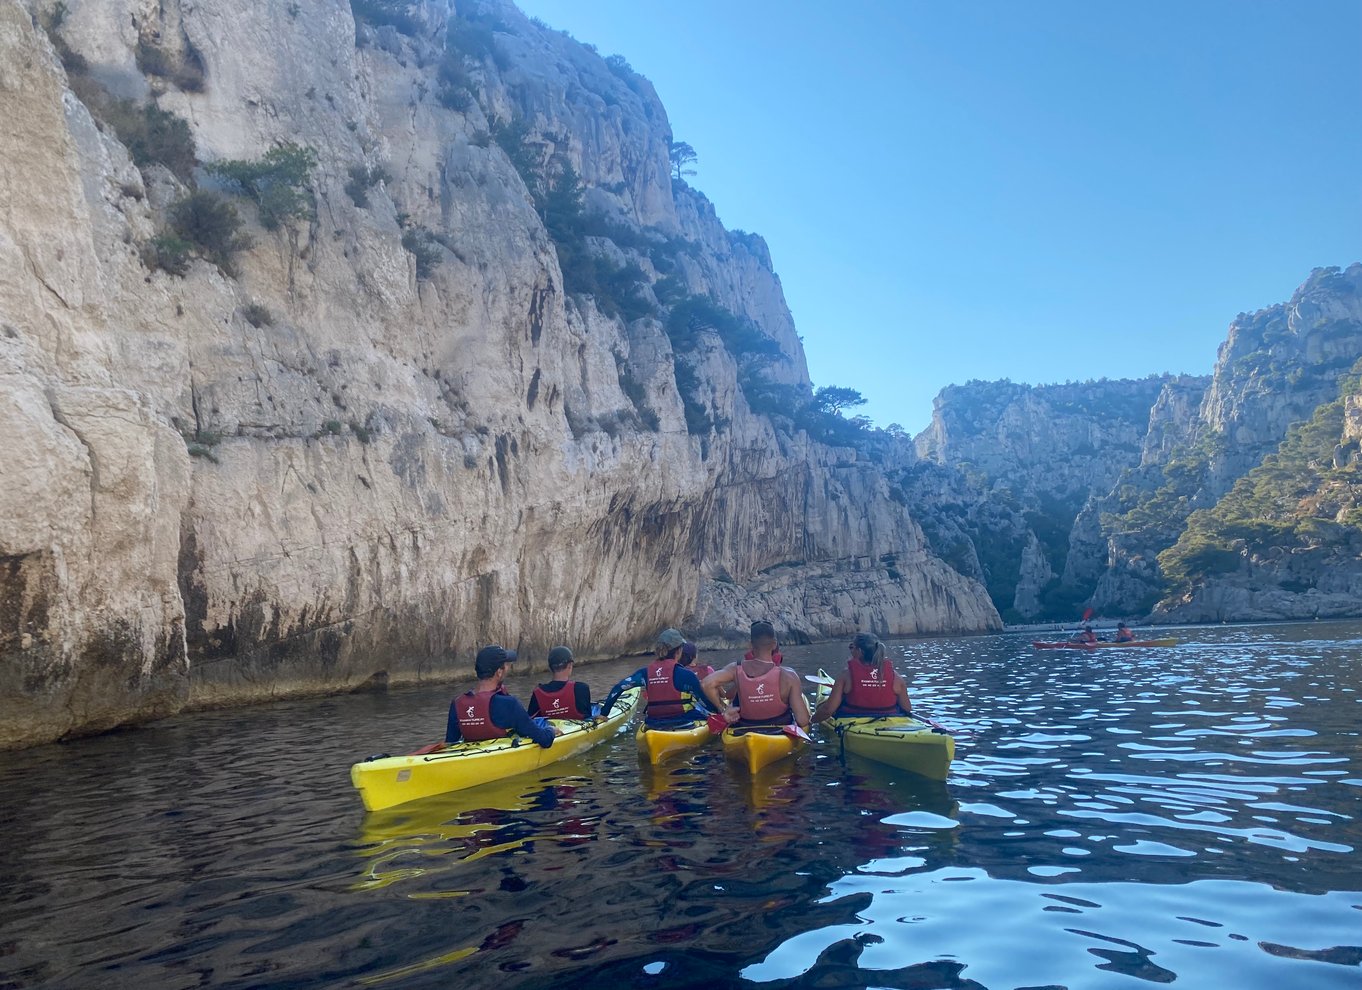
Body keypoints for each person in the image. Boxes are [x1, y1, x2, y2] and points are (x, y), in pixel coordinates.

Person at [701, 621, 811, 731]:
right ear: (774, 644)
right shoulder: (789, 675)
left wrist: (723, 710)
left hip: (744, 729)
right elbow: (802, 720)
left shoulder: (735, 669)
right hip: (779, 730)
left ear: (750, 645)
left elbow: (706, 684)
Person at [445, 645, 558, 746]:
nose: (508, 668)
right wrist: (551, 730)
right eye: (506, 665)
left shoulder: (457, 703)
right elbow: (544, 740)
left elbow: (450, 744)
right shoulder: (509, 704)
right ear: (499, 672)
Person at [599, 628, 713, 726]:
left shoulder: (644, 673)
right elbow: (703, 701)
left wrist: (604, 713)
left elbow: (619, 687)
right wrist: (718, 712)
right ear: (678, 651)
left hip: (653, 722)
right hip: (682, 720)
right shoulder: (687, 675)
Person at [813, 633, 912, 722]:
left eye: (852, 647)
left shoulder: (846, 676)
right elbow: (907, 709)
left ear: (859, 651)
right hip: (889, 721)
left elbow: (828, 710)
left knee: (823, 705)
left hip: (852, 720)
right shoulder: (897, 678)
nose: (851, 650)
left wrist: (811, 721)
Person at [527, 646, 593, 720]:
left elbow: (531, 720)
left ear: (550, 667)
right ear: (569, 665)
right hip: (579, 730)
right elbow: (588, 718)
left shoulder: (538, 693)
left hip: (551, 730)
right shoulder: (582, 688)